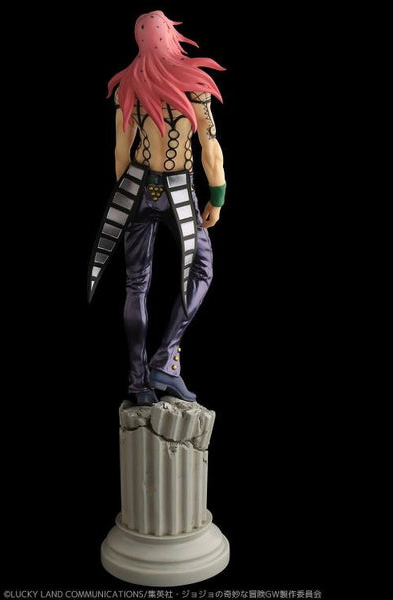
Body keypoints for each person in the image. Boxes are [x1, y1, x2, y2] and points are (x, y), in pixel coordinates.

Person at [88, 10, 227, 405]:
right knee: (202, 269)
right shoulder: (193, 85)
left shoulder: (128, 85)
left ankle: (138, 382)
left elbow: (121, 152)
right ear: (171, 37)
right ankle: (165, 359)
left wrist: (128, 199)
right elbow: (210, 151)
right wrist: (217, 197)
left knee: (136, 284)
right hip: (179, 187)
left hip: (136, 185)